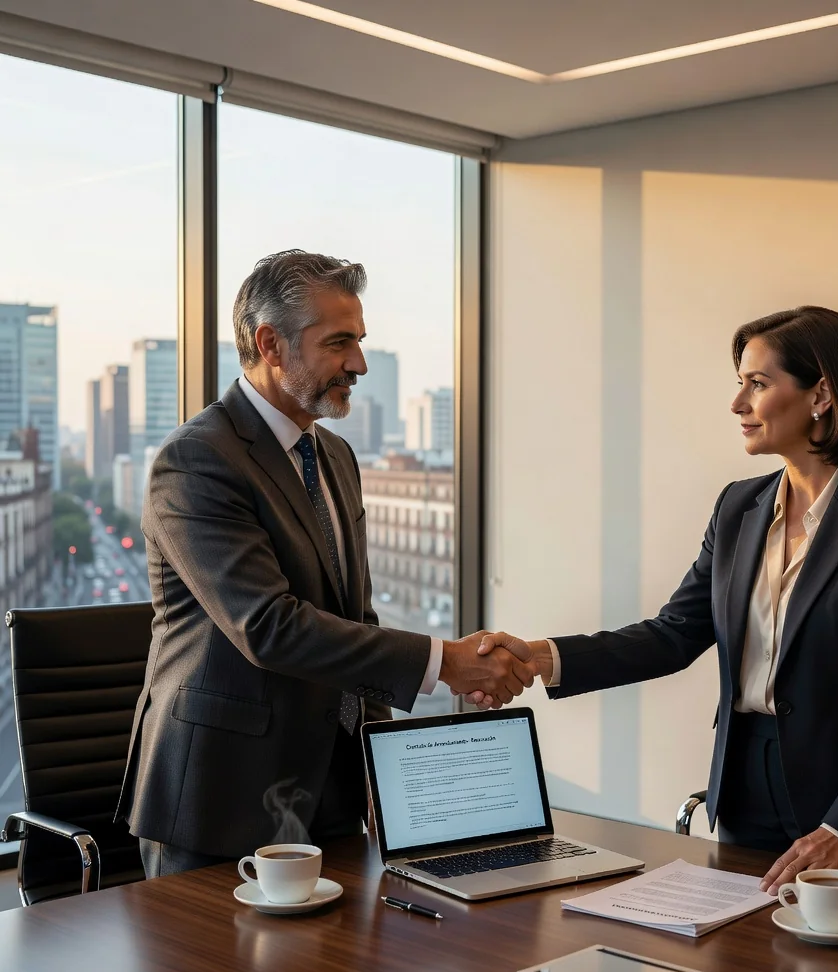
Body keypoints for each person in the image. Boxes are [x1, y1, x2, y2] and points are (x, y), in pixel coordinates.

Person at [476, 306, 838, 894]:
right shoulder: (739, 508)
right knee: (750, 963)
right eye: (741, 384)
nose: (738, 404)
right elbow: (674, 633)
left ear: (822, 395)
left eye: (758, 384)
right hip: (746, 780)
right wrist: (539, 656)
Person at [117, 250, 536, 877]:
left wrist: (379, 768)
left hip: (335, 793)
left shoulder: (335, 457)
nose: (359, 363)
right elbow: (270, 626)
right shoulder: (197, 462)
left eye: (360, 342)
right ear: (271, 344)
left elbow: (353, 617)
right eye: (339, 343)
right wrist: (443, 661)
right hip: (221, 799)